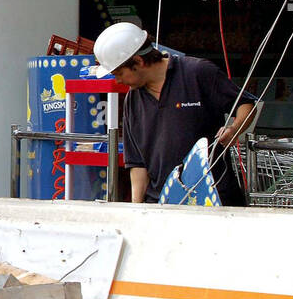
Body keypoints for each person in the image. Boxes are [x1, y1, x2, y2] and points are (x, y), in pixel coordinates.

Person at [93, 23, 256, 206]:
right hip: (163, 202)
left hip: (214, 198)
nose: (118, 80)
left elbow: (246, 104)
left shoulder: (197, 72)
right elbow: (138, 164)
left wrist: (234, 129)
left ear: (138, 62)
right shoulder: (133, 99)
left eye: (119, 73)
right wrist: (136, 209)